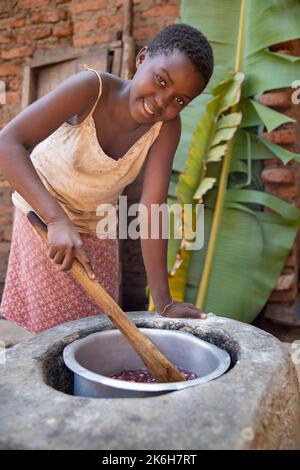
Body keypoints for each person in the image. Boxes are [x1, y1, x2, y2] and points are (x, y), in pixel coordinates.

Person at [0, 23, 214, 334]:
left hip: (98, 224)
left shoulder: (166, 128)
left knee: (102, 327)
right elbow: (8, 142)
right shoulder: (90, 89)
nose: (162, 102)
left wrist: (164, 302)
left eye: (179, 100)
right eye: (160, 80)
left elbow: (151, 208)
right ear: (142, 58)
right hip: (43, 214)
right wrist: (56, 220)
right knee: (56, 335)